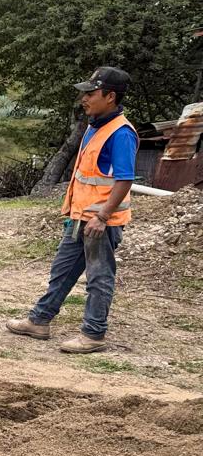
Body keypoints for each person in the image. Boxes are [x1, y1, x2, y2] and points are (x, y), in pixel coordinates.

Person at [7, 66, 138, 353]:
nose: (84, 99)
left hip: (101, 222)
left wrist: (102, 216)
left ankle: (93, 334)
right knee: (62, 270)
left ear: (111, 96)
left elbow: (125, 179)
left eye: (91, 93)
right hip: (81, 217)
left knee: (99, 278)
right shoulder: (95, 126)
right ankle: (39, 320)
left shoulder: (121, 133)